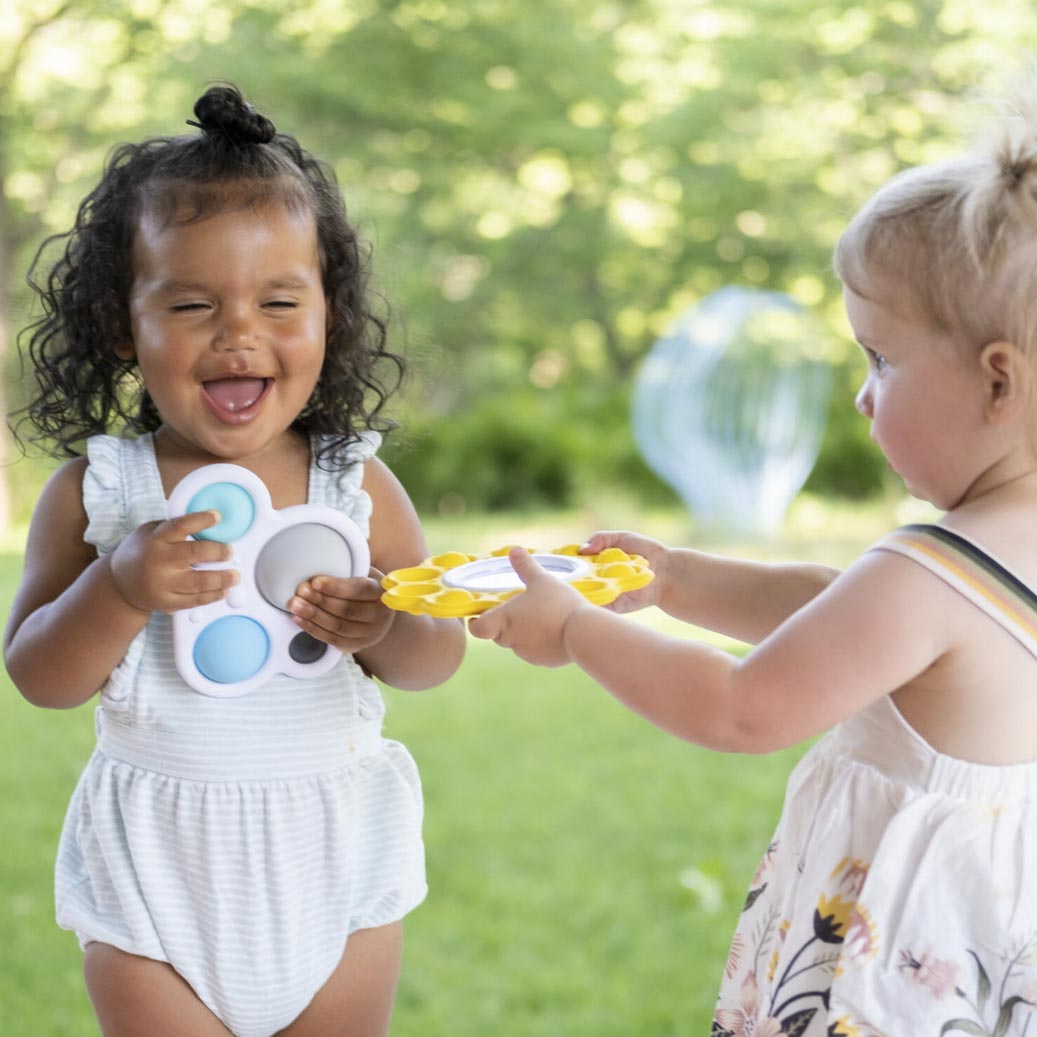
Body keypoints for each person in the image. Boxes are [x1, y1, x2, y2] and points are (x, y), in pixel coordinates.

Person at [469, 87, 1037, 1035]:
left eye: (879, 360)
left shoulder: (929, 565)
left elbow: (740, 708)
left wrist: (575, 629)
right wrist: (679, 580)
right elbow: (839, 613)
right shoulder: (990, 557)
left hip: (883, 985)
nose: (861, 398)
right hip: (987, 972)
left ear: (996, 380)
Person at [4, 84, 465, 1037]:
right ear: (123, 326)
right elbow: (38, 676)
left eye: (279, 301)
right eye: (192, 303)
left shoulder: (355, 484)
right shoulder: (97, 494)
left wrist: (385, 622)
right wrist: (119, 586)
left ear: (327, 316)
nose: (239, 332)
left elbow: (437, 659)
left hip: (334, 864)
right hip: (155, 883)